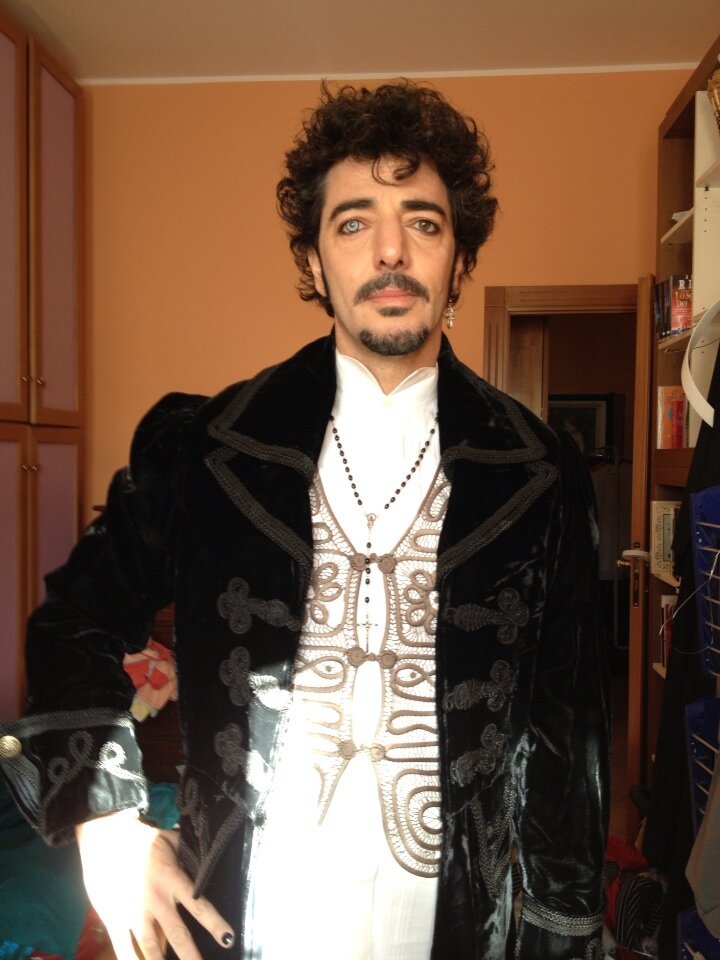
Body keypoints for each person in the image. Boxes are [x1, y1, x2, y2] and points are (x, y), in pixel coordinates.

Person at [0, 80, 609, 960]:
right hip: (247, 914)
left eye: (424, 223)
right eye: (354, 223)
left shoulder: (541, 472)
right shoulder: (204, 446)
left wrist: (563, 934)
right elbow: (74, 621)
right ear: (316, 263)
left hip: (451, 924)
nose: (391, 250)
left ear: (458, 260)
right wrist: (106, 820)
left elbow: (567, 738)